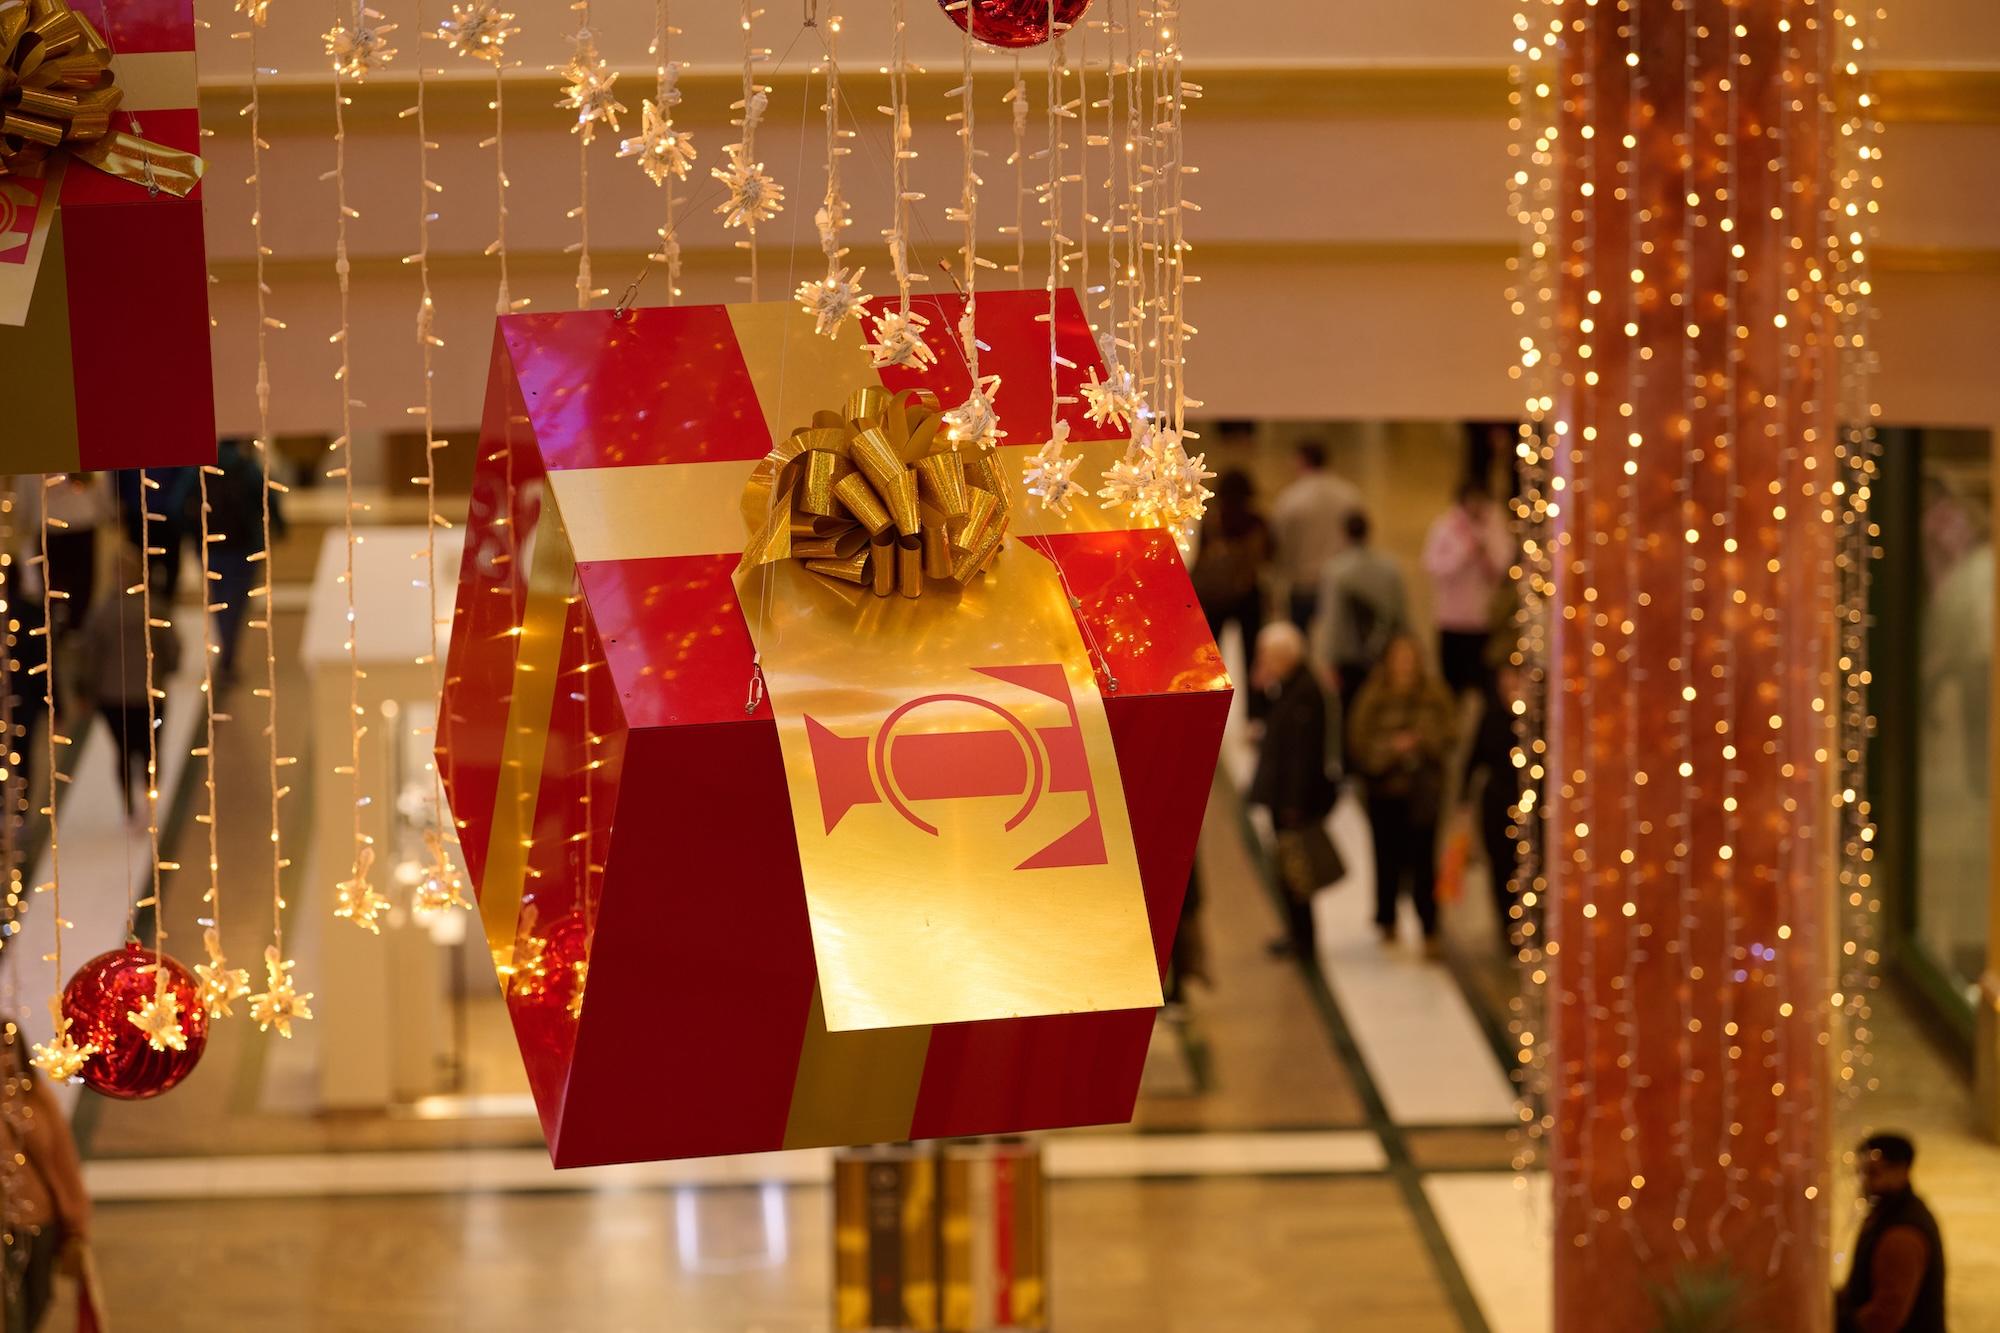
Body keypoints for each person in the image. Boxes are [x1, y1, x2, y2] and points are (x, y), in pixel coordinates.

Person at [1348, 633, 1456, 952]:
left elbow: (1450, 733)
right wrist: (1391, 749)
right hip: (1384, 790)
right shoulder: (1374, 695)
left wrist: (1420, 741)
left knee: (1423, 861)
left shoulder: (1434, 694)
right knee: (1386, 857)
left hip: (1423, 792)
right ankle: (1387, 919)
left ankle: (1429, 926)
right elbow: (1358, 740)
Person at [1246, 622, 1339, 960]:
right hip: (1285, 798)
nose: (1264, 663)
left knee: (1297, 873)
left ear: (1286, 656)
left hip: (1293, 803)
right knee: (1288, 871)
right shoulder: (1289, 686)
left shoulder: (1305, 693)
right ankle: (1296, 933)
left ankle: (1304, 940)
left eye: (1267, 656)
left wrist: (1293, 805)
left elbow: (1302, 756)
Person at [0, 1019, 92, 1332]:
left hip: (41, 1222)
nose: (5, 1057)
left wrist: (76, 1223)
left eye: (9, 1048)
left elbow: (63, 1160)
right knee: (10, 1313)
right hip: (4, 1226)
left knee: (40, 1299)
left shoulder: (35, 1096)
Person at [76, 545, 181, 817]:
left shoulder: (101, 613)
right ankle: (149, 795)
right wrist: (165, 670)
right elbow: (172, 649)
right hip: (150, 694)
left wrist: (86, 690)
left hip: (113, 697)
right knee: (150, 749)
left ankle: (129, 806)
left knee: (123, 750)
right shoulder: (155, 609)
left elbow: (90, 656)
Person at [1837, 1132, 1946, 1333]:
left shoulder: (1902, 1235)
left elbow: (1884, 1317)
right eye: (1861, 1173)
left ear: (1901, 1170)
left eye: (1873, 1173)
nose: (1864, 1182)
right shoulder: (1886, 1213)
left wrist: (1841, 1323)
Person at [1312, 508, 1408, 725]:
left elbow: (1332, 619)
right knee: (1381, 714)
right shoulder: (1389, 567)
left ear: (1343, 533)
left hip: (1349, 656)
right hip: (1384, 652)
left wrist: (1327, 659)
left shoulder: (1336, 570)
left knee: (1351, 716)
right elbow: (1400, 613)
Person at [1421, 480, 1513, 696]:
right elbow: (1431, 564)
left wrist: (1485, 553)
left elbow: (1504, 565)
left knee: (1485, 685)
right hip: (1450, 619)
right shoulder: (1445, 527)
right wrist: (1464, 554)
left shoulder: (1494, 526)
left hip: (1483, 619)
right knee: (1452, 685)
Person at [207, 437, 284, 686]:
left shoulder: (203, 468)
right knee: (237, 601)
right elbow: (269, 499)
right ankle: (228, 654)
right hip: (244, 546)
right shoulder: (247, 467)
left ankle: (225, 649)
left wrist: (192, 532)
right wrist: (279, 528)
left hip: (212, 546)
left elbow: (178, 503)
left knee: (218, 598)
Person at [1460, 663, 1523, 948]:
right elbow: (1474, 760)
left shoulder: (1536, 720)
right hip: (1498, 804)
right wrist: (1463, 804)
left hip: (1532, 808)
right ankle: (1508, 930)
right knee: (1501, 868)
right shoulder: (1492, 716)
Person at [1270, 440, 1362, 631]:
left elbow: (1279, 542)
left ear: (1300, 461)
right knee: (1339, 639)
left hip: (1304, 582)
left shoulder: (1290, 499)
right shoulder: (1349, 494)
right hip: (1341, 579)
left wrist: (1280, 578)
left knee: (1299, 638)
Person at [1192, 469, 1271, 679]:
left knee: (1211, 655)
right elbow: (1268, 556)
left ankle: (1210, 691)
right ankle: (1255, 697)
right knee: (1251, 656)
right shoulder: (1256, 522)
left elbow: (1201, 559)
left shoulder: (1212, 521)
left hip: (1216, 597)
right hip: (1248, 594)